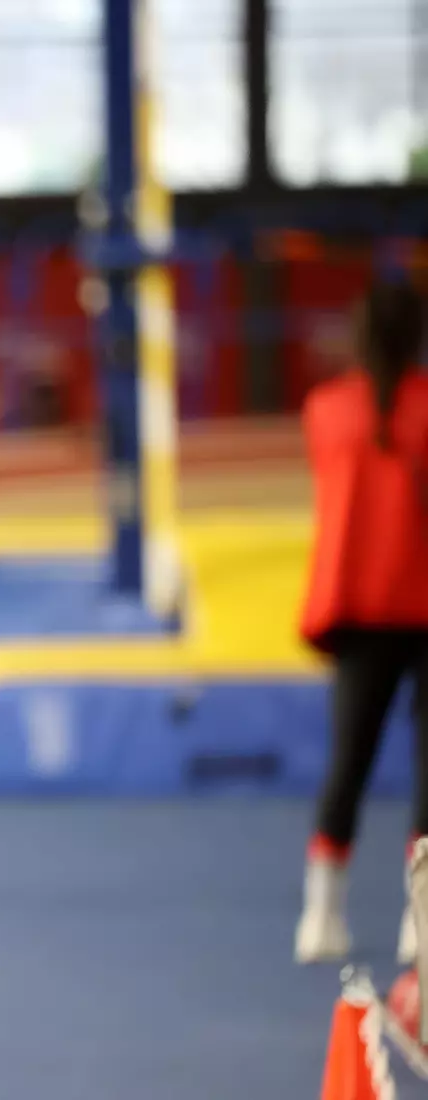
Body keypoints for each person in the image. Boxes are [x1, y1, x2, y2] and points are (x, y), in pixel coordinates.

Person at [295, 279, 428, 965]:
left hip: (360, 608)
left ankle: (321, 917)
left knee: (348, 761)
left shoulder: (326, 410)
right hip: (422, 603)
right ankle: (420, 924)